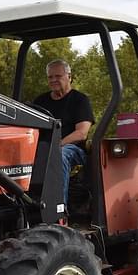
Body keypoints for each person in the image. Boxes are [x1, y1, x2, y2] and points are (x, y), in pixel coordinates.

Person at [30, 59, 94, 212]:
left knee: (59, 155)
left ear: (69, 77)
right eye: (50, 77)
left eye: (57, 76)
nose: (53, 80)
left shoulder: (79, 100)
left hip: (72, 149)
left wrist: (56, 145)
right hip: (42, 147)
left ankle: (58, 210)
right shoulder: (40, 101)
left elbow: (81, 133)